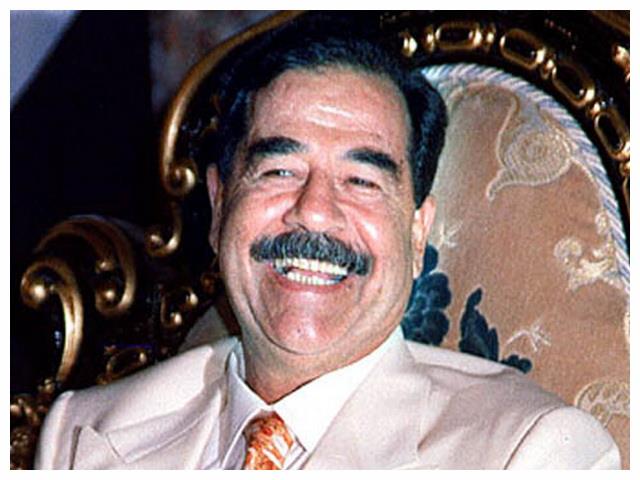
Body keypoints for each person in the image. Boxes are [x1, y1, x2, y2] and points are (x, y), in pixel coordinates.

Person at [35, 13, 620, 469]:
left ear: (417, 232)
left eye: (361, 180)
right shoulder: (82, 433)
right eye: (279, 170)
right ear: (218, 208)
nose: (314, 212)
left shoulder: (529, 453)